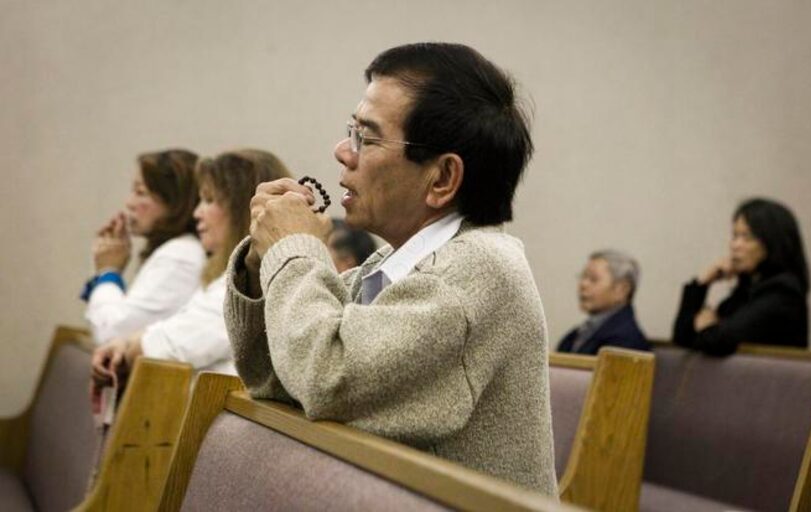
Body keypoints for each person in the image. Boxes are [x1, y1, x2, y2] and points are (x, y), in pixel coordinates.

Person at [225, 43, 557, 496]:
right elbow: (274, 376)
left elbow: (326, 376)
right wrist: (259, 261)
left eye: (367, 137)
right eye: (350, 131)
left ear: (441, 179)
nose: (342, 151)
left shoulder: (477, 271)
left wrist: (294, 247)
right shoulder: (393, 265)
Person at [91, 149, 291, 385]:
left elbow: (159, 345)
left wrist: (108, 275)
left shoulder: (251, 282)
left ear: (242, 209)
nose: (197, 213)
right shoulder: (222, 275)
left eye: (209, 200)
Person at [82, 149, 205, 345]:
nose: (129, 203)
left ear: (175, 203)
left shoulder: (180, 256)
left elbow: (112, 334)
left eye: (141, 192)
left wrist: (108, 273)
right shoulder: (177, 250)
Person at [673, 197, 810, 356]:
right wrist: (703, 282)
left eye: (747, 237)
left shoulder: (783, 294)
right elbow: (682, 337)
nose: (735, 245)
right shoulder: (744, 293)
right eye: (735, 236)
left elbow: (717, 341)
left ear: (772, 242)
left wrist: (707, 327)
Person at [557, 250, 649, 354]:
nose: (583, 284)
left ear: (622, 289)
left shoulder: (626, 343)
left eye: (593, 279)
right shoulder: (577, 333)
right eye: (583, 277)